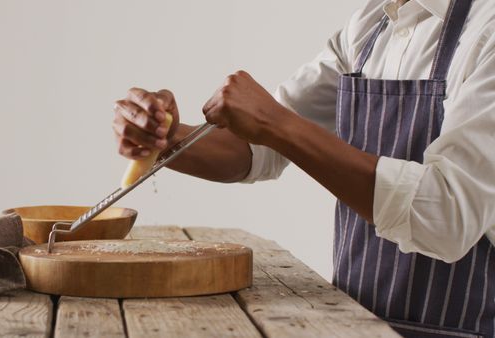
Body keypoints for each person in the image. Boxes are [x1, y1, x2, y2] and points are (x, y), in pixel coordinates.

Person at [112, 0, 495, 336]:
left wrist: (276, 123)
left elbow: (447, 215)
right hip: (358, 324)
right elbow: (257, 149)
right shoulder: (371, 26)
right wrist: (166, 135)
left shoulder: (487, 29)